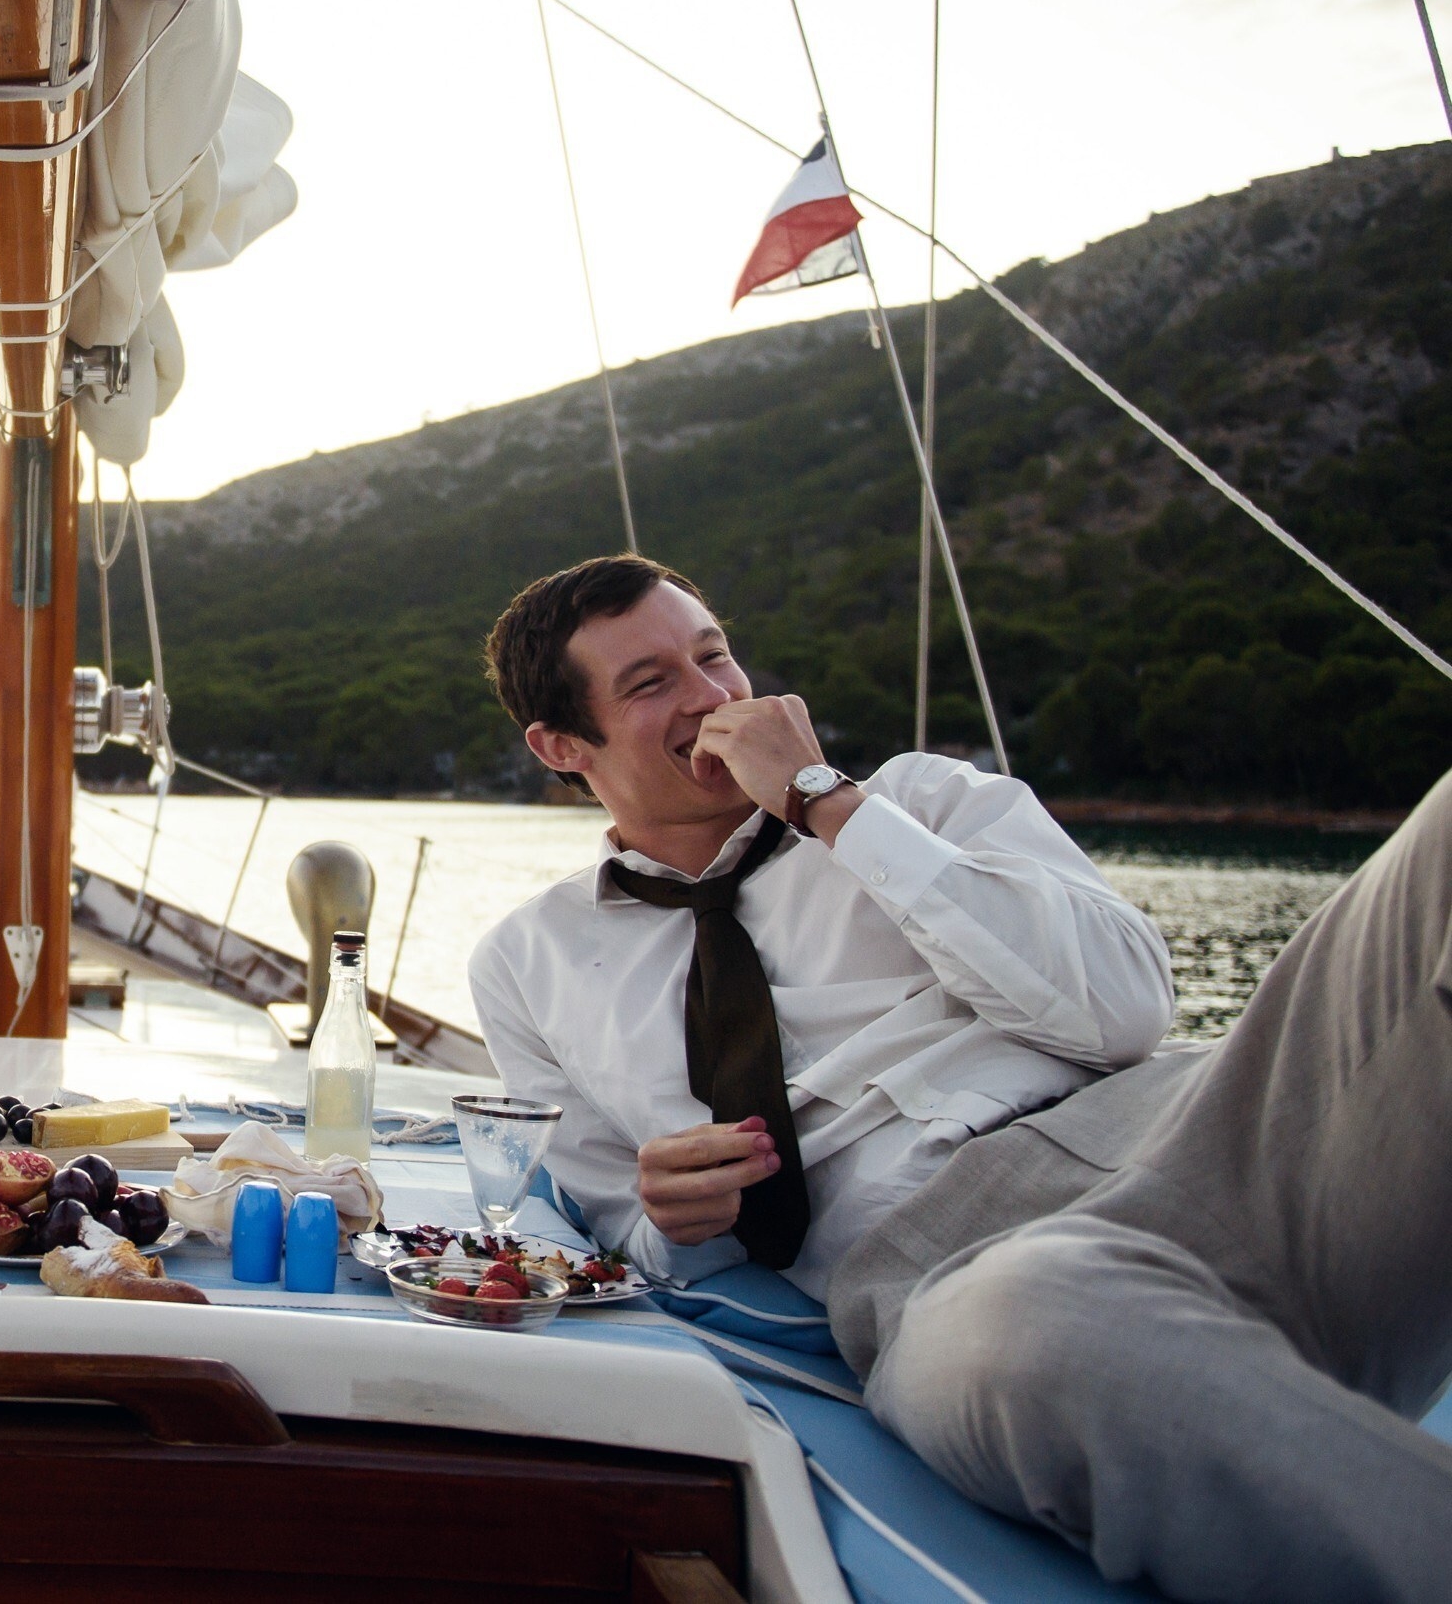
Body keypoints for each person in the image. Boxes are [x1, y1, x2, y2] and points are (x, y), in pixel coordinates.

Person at [466, 554, 1452, 1603]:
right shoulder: (529, 964)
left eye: (715, 656)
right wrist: (674, 1215)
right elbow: (619, 1226)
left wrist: (826, 805)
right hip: (939, 1265)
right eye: (652, 683)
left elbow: (1123, 1009)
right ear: (563, 745)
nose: (714, 698)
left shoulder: (920, 801)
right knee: (1044, 1334)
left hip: (1194, 1131)